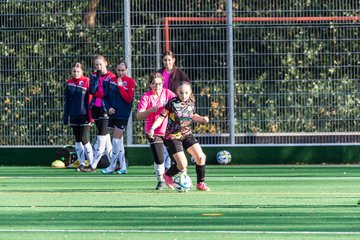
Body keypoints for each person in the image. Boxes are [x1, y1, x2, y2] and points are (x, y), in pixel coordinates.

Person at [148, 81, 210, 191]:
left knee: (200, 157)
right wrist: (153, 128)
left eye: (186, 93)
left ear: (190, 92)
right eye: (181, 93)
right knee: (183, 164)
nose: (184, 95)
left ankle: (200, 183)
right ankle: (167, 175)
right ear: (177, 92)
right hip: (173, 136)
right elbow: (162, 117)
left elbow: (192, 115)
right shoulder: (172, 103)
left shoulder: (191, 102)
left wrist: (201, 119)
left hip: (187, 135)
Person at [136, 72, 177, 190]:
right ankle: (160, 180)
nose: (157, 86)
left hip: (168, 130)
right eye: (154, 83)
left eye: (159, 83)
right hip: (153, 131)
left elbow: (178, 103)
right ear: (150, 84)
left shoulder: (168, 93)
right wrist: (150, 110)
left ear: (162, 83)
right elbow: (138, 116)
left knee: (175, 156)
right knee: (159, 158)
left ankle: (172, 177)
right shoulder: (146, 97)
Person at [101, 61, 136, 174]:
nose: (120, 72)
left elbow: (128, 99)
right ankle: (123, 167)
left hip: (123, 114)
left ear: (126, 70)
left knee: (115, 140)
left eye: (122, 70)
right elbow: (105, 97)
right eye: (118, 70)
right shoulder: (110, 81)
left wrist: (121, 87)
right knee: (118, 141)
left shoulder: (130, 82)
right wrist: (108, 107)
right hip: (113, 114)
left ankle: (112, 166)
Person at [157, 51, 190, 170]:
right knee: (164, 136)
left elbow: (187, 89)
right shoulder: (159, 73)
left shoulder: (180, 74)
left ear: (173, 60)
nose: (167, 62)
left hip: (176, 110)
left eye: (169, 60)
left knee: (175, 135)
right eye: (165, 60)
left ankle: (176, 163)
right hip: (162, 108)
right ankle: (167, 164)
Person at [86, 55, 116, 172]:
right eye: (96, 65)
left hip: (105, 108)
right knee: (106, 138)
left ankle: (93, 165)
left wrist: (101, 94)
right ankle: (113, 163)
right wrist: (97, 78)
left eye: (100, 64)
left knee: (101, 136)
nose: (98, 67)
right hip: (95, 107)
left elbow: (108, 94)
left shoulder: (111, 77)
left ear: (105, 64)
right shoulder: (94, 76)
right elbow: (92, 91)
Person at [63, 62, 94, 171]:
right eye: (74, 71)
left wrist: (91, 116)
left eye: (78, 72)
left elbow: (90, 99)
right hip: (74, 115)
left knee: (84, 138)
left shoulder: (86, 81)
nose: (76, 73)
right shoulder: (69, 83)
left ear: (82, 72)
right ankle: (81, 163)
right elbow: (67, 101)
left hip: (85, 115)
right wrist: (65, 116)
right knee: (77, 139)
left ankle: (92, 163)